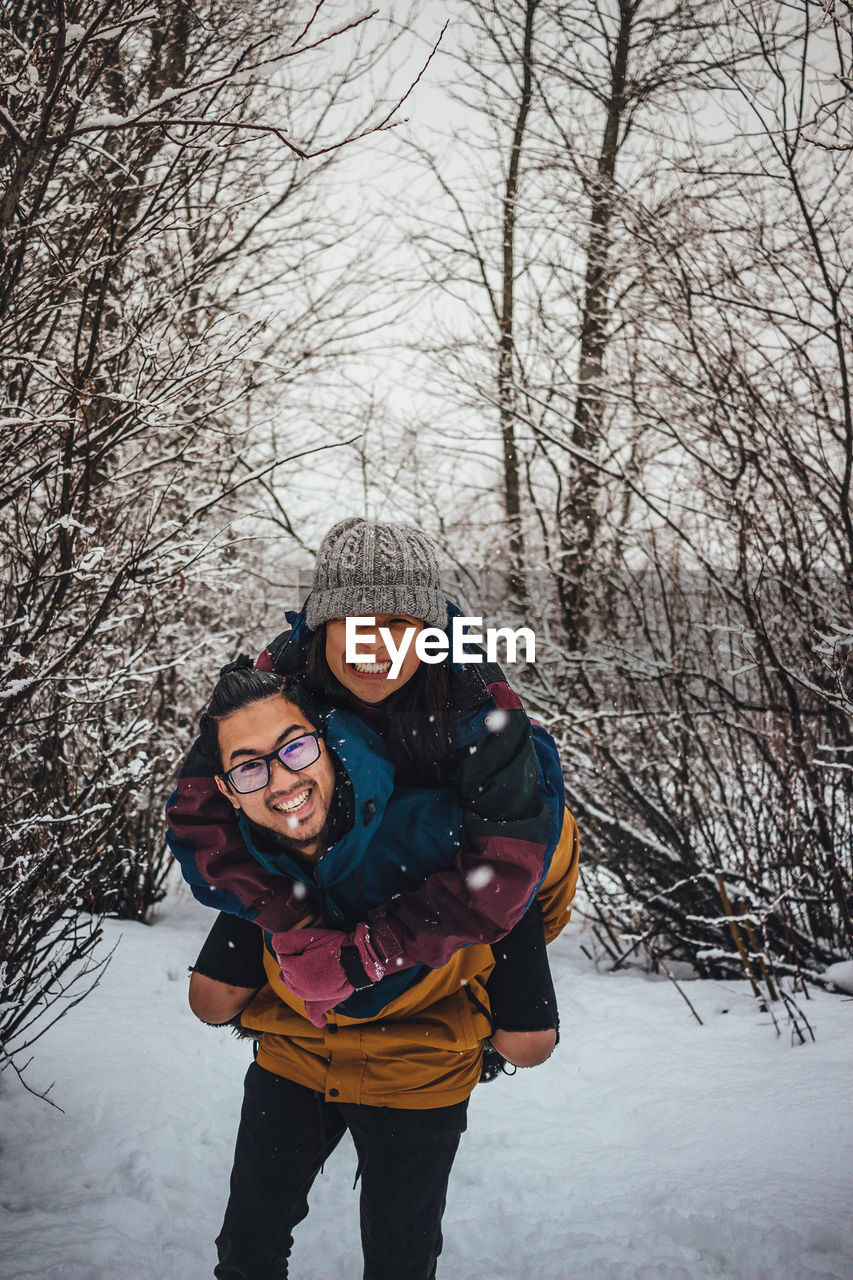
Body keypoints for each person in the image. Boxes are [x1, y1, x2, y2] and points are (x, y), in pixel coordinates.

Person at [188, 662, 579, 1280]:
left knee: (400, 1259)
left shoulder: (437, 827)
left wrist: (478, 968)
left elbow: (525, 871)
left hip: (417, 1071)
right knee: (248, 1247)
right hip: (296, 1056)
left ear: (326, 741)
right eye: (249, 767)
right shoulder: (258, 844)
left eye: (294, 748)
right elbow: (212, 994)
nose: (280, 776)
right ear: (229, 786)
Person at [167, 517, 564, 1072]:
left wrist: (372, 950)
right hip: (313, 850)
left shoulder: (475, 697)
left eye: (398, 622)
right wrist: (293, 915)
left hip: (444, 852)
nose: (372, 643)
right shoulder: (279, 678)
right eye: (351, 621)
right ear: (319, 624)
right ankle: (296, 1044)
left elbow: (506, 857)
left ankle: (459, 1015)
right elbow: (199, 811)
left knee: (529, 1043)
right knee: (210, 1001)